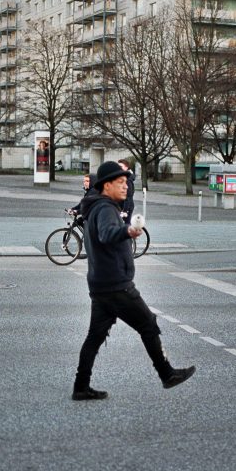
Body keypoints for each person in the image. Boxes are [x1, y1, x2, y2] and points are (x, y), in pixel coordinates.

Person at [72, 160, 195, 401]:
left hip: (100, 285)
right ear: (106, 185)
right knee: (148, 325)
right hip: (117, 286)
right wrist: (126, 231)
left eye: (126, 182)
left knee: (94, 337)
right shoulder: (106, 209)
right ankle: (167, 374)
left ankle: (80, 386)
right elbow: (108, 234)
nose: (126, 186)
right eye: (120, 182)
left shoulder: (95, 207)